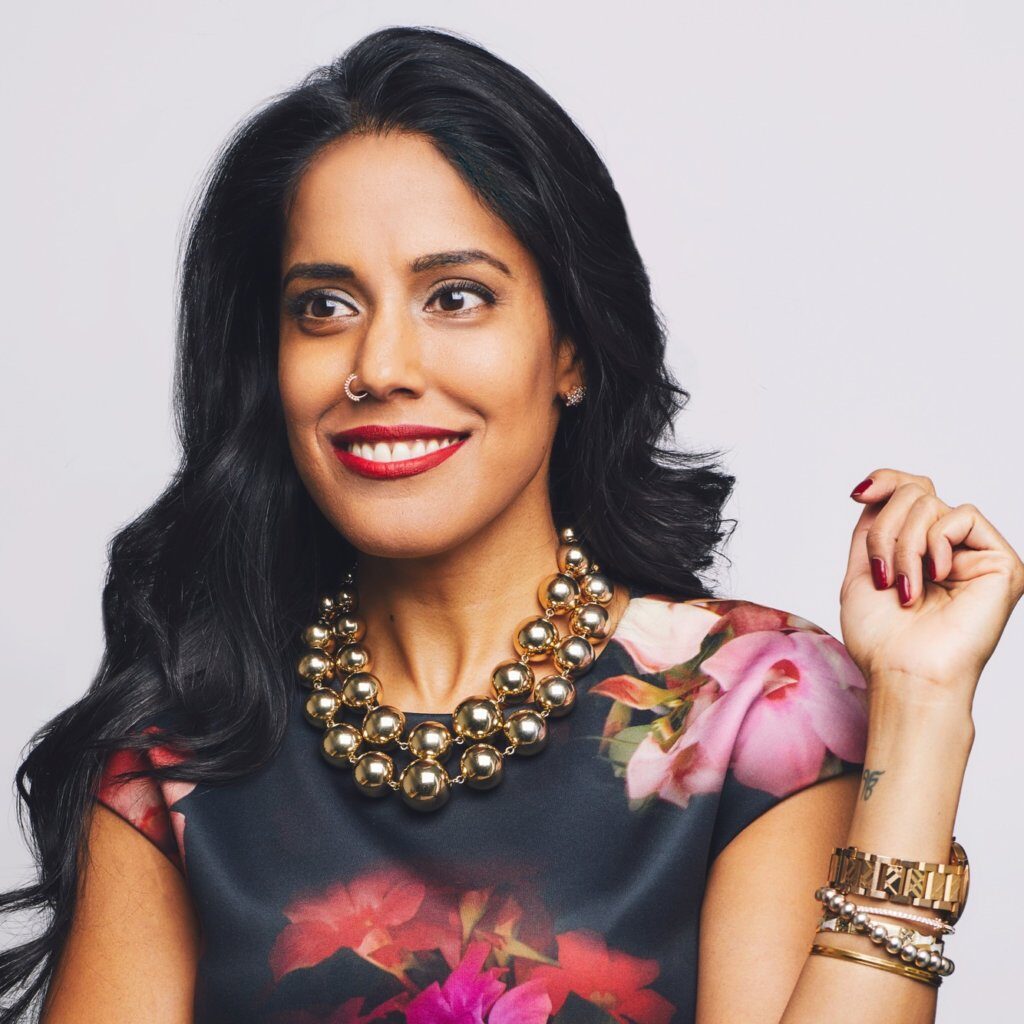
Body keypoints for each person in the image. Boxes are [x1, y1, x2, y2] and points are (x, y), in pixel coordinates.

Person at [3, 24, 1020, 1024]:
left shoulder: (757, 713)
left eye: (454, 296)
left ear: (570, 348)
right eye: (322, 306)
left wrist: (923, 710)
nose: (380, 365)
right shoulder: (175, 760)